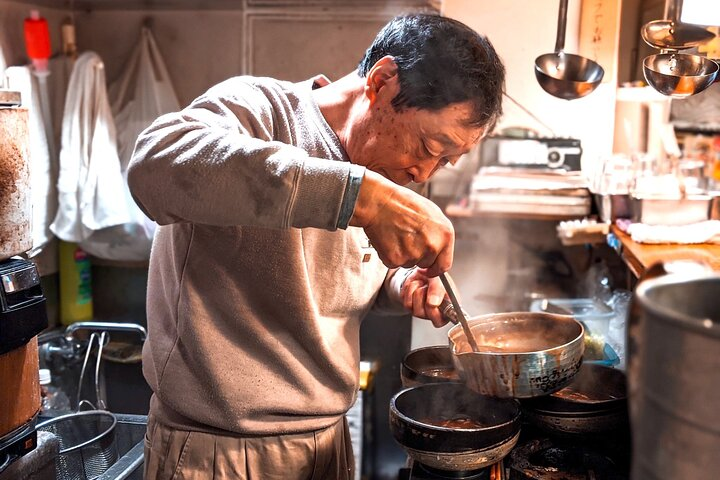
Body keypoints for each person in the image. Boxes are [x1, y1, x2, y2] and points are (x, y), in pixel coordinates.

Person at [128, 13, 504, 480]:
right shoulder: (259, 111)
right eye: (430, 146)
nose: (425, 174)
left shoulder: (393, 169)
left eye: (446, 161)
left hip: (327, 443)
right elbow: (152, 168)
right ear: (383, 82)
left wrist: (402, 284)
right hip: (218, 451)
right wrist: (362, 197)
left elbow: (352, 274)